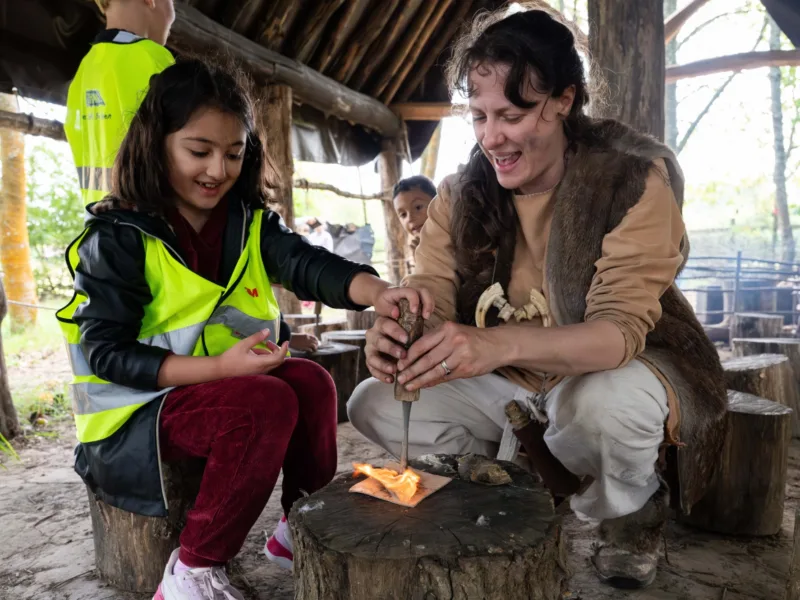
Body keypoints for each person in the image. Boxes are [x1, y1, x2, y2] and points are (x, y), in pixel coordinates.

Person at [347, 8, 726, 590]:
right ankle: (510, 478)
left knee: (600, 407)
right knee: (372, 401)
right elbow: (432, 288)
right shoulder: (459, 195)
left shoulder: (630, 179)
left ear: (564, 100)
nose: (491, 137)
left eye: (512, 114)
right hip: (511, 387)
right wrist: (405, 322)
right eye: (478, 116)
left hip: (616, 370)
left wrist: (493, 344)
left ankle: (628, 511)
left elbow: (617, 333)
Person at [56, 59, 432, 600]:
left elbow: (308, 264)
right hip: (133, 413)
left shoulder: (248, 222)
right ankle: (192, 570)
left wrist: (378, 294)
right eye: (198, 151)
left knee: (311, 383)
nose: (217, 170)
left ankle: (296, 530)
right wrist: (220, 368)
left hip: (209, 390)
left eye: (234, 154)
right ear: (156, 143)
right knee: (264, 402)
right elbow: (107, 356)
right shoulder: (118, 236)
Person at [65, 0, 175, 205]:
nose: (172, 13)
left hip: (102, 224)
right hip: (153, 226)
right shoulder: (153, 59)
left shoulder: (84, 71)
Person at [392, 175, 437, 258]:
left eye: (418, 207)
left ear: (437, 204)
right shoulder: (420, 249)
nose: (410, 218)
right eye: (403, 214)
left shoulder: (459, 240)